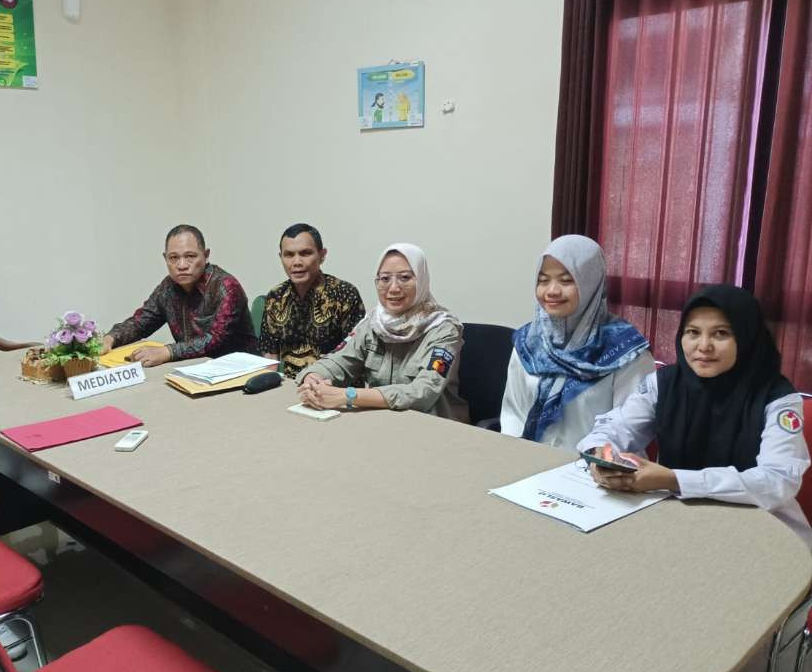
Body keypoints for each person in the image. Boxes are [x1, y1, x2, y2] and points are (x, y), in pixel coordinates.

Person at [578, 285, 812, 549]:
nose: (703, 346)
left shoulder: (778, 398)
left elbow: (777, 481)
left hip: (765, 534)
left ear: (747, 337)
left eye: (721, 333)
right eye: (693, 332)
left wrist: (675, 480)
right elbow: (614, 428)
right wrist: (599, 457)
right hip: (681, 524)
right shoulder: (664, 383)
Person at [501, 235, 654, 448]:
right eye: (543, 280)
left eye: (566, 280)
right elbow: (513, 413)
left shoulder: (625, 351)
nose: (552, 291)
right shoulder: (529, 343)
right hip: (527, 465)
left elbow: (630, 428)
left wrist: (593, 463)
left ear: (591, 282)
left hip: (596, 471)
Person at [296, 243, 468, 421]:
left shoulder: (444, 329)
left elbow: (423, 392)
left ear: (422, 280)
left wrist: (349, 396)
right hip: (382, 422)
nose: (393, 288)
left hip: (435, 426)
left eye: (405, 278)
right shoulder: (373, 323)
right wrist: (313, 379)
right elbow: (338, 360)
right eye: (385, 279)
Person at [101, 225, 257, 367]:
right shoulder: (168, 287)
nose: (182, 265)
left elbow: (215, 339)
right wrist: (110, 338)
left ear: (206, 255)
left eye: (190, 256)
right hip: (193, 370)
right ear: (165, 258)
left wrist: (167, 352)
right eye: (174, 258)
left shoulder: (226, 286)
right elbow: (141, 322)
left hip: (239, 371)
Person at [258, 223, 366, 378]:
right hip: (289, 387)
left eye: (305, 253)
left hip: (334, 388)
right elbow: (270, 355)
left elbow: (354, 358)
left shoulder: (344, 294)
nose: (296, 262)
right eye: (289, 255)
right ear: (280, 257)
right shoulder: (276, 296)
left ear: (322, 255)